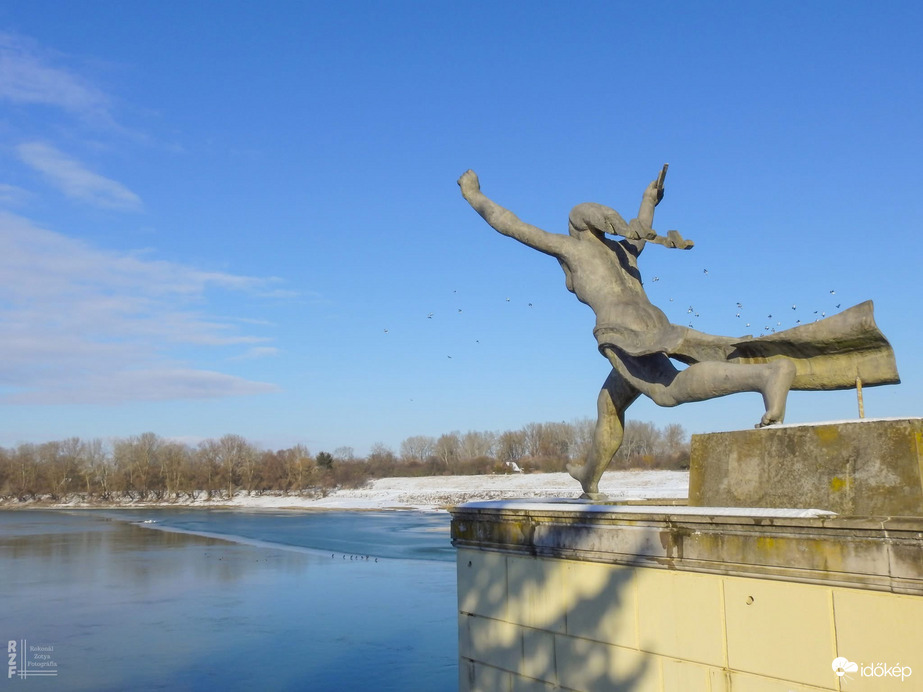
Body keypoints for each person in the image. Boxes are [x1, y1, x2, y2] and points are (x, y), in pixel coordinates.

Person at [458, 168, 796, 496]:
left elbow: (510, 224)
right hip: (654, 319)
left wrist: (473, 195)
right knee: (609, 403)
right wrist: (649, 199)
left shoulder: (571, 248)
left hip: (620, 329)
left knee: (668, 391)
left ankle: (764, 376)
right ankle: (589, 478)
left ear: (576, 226)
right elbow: (642, 227)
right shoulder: (625, 250)